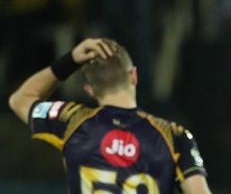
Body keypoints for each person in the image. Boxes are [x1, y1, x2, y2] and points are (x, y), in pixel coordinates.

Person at [9, 38, 212, 194]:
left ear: (89, 90)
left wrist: (70, 60)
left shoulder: (72, 121)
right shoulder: (174, 136)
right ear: (134, 75)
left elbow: (20, 99)